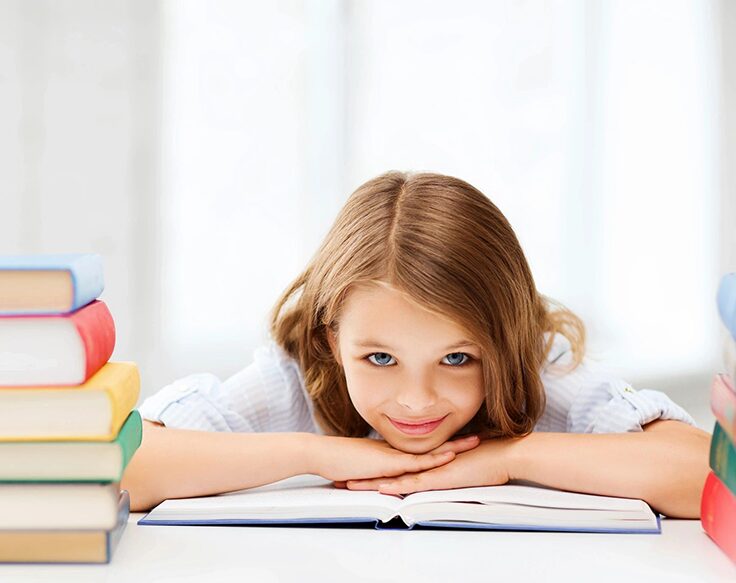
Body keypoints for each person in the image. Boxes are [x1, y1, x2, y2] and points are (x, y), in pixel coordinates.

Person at [121, 170, 710, 517]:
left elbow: (704, 472)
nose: (417, 401)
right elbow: (121, 466)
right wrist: (318, 453)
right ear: (332, 338)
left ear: (503, 343)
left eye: (457, 358)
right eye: (380, 358)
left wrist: (508, 458)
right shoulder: (298, 377)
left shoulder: (536, 374)